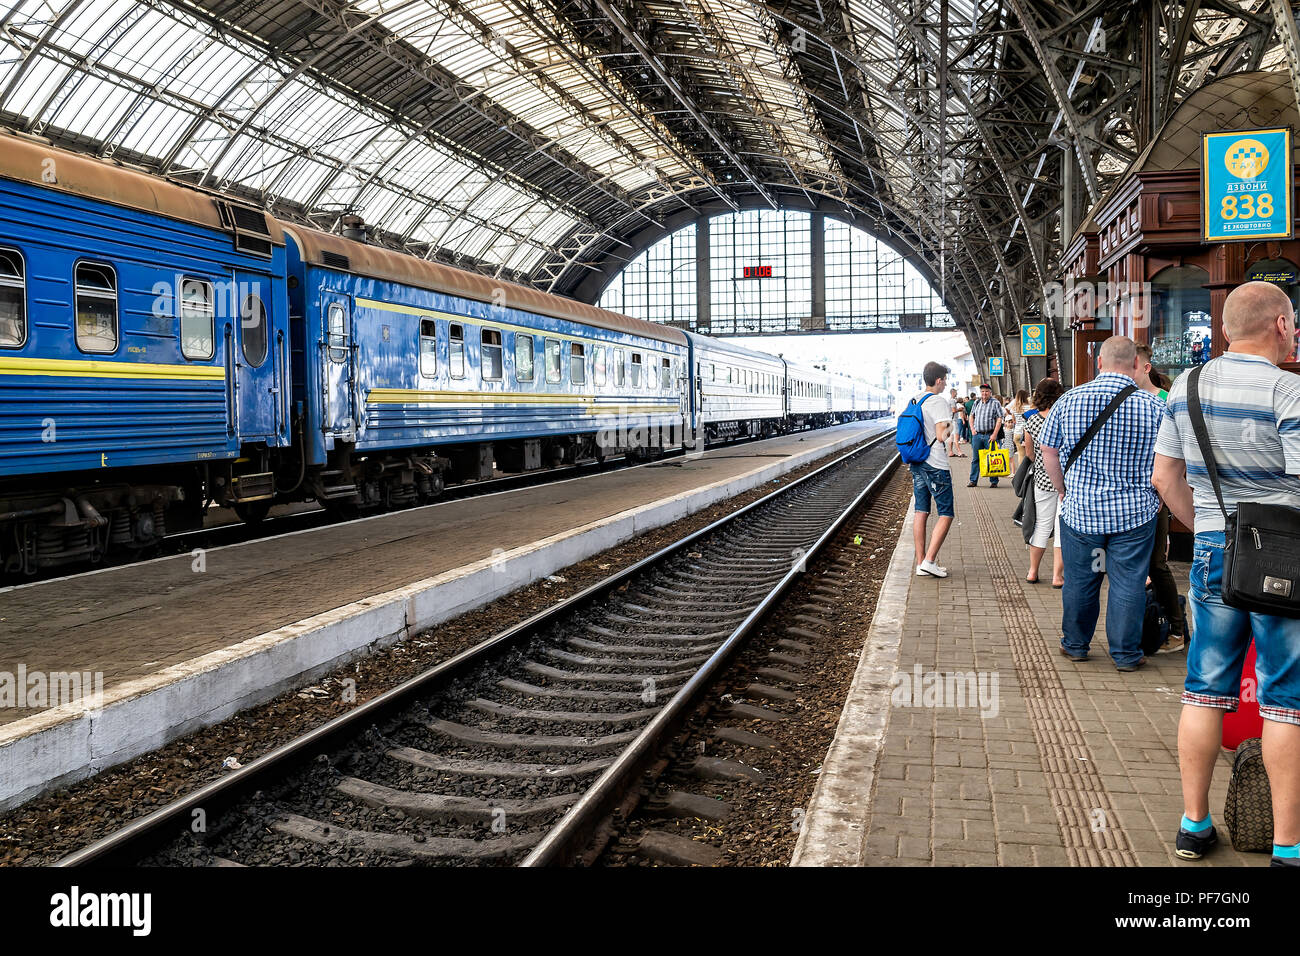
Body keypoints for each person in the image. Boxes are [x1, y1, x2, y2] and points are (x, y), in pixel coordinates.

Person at [1152, 281, 1300, 866]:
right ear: (1281, 324)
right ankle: (1287, 844)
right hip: (1284, 557)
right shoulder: (1289, 392)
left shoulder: (1185, 387)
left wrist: (1212, 527)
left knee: (1204, 689)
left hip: (1215, 550)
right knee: (1285, 699)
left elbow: (1166, 479)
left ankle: (1194, 826)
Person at [1039, 335, 1165, 671]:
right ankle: (1125, 655)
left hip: (1081, 513)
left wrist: (1063, 488)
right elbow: (1169, 461)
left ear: (1099, 362)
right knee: (1128, 582)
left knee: (1082, 580)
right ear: (1137, 364)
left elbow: (1048, 450)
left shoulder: (1069, 401)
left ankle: (1076, 645)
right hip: (1135, 515)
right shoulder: (1154, 407)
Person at [1134, 345, 1185, 652]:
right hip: (1132, 500)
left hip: (1158, 497)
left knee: (1157, 565)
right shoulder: (1126, 400)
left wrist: (1168, 496)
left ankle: (1177, 631)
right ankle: (1142, 630)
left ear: (1145, 366)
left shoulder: (1165, 401)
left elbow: (1177, 456)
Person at [908, 362, 955, 579]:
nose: (946, 383)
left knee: (921, 511)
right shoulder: (939, 401)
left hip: (917, 462)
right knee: (946, 513)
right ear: (938, 380)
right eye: (945, 379)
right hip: (935, 463)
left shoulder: (915, 399)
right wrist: (952, 425)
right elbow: (940, 435)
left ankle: (920, 563)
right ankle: (929, 560)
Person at [1021, 378, 1065, 586]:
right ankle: (1057, 576)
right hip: (1065, 482)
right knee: (1062, 527)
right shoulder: (1065, 418)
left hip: (1042, 480)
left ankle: (1032, 571)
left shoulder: (1032, 421)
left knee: (1042, 525)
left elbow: (1029, 454)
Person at [967, 383, 1005, 487]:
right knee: (975, 459)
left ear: (990, 392)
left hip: (990, 435)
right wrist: (972, 429)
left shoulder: (995, 403)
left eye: (986, 391)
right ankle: (973, 480)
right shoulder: (977, 402)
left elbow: (999, 418)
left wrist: (994, 434)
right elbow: (971, 416)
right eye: (982, 391)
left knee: (992, 458)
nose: (984, 393)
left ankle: (993, 482)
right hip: (977, 435)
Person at [1010, 388, 1031, 466]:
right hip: (1026, 434)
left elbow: (1014, 421)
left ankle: (1020, 473)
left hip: (1017, 433)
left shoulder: (1014, 408)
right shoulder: (1029, 407)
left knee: (1021, 455)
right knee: (1029, 455)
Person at [946, 387, 966, 457]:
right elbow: (954, 410)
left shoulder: (949, 400)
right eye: (956, 392)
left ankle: (950, 452)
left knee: (951, 438)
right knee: (956, 437)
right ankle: (959, 452)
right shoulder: (952, 401)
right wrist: (960, 409)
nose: (957, 394)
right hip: (954, 421)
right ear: (953, 393)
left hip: (949, 421)